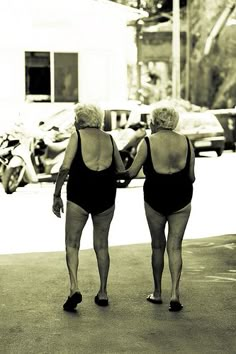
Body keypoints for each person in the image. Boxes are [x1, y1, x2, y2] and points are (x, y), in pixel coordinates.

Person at [117, 105, 195, 311]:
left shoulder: (148, 142)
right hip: (182, 197)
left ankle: (158, 292)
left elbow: (131, 173)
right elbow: (191, 177)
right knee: (175, 246)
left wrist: (111, 172)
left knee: (158, 245)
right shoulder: (186, 141)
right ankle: (175, 293)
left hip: (155, 197)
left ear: (156, 122)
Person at [52, 103, 125, 311]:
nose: (74, 123)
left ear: (81, 120)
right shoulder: (110, 138)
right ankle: (103, 292)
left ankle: (74, 288)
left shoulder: (78, 136)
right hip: (105, 195)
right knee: (101, 245)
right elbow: (120, 169)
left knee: (72, 243)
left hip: (80, 194)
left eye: (76, 119)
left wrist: (56, 194)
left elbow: (65, 166)